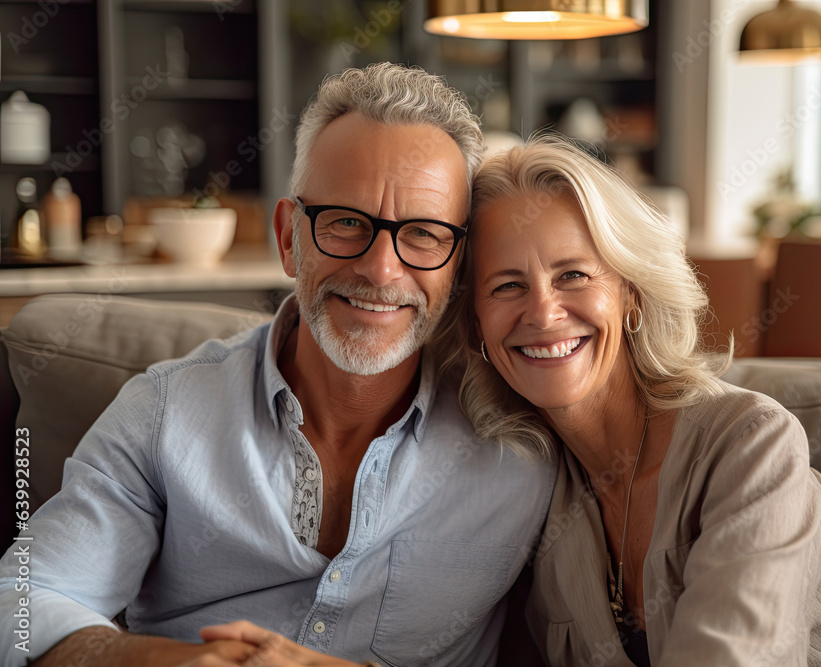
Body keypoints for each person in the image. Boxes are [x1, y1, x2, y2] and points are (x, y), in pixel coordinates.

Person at [0, 63, 555, 667]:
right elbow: (21, 604)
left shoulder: (524, 438)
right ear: (291, 238)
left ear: (459, 261)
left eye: (422, 233)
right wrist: (167, 662)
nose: (381, 270)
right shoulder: (162, 414)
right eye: (346, 222)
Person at [439, 135, 821, 666]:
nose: (542, 312)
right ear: (477, 325)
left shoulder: (752, 441)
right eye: (507, 285)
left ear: (630, 292)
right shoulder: (536, 497)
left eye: (574, 274)